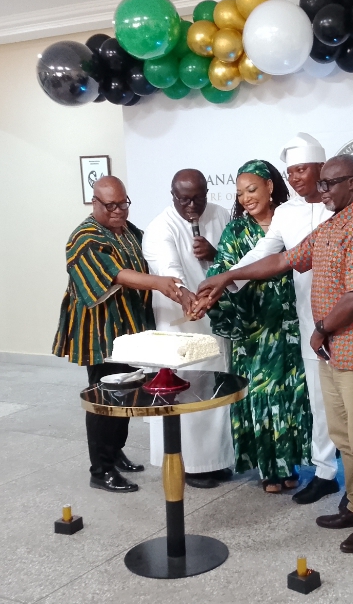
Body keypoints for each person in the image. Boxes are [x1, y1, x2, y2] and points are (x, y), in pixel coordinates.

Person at [196, 155, 353, 553]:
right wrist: (229, 274)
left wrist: (320, 331)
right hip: (333, 349)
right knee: (343, 435)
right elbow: (282, 259)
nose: (321, 191)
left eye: (329, 184)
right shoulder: (332, 224)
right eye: (321, 183)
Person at [224, 133, 339, 505]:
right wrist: (226, 279)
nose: (295, 177)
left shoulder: (342, 205)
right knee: (319, 402)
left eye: (302, 169)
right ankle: (325, 473)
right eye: (291, 171)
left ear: (321, 168)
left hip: (349, 320)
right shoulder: (286, 214)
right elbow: (265, 253)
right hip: (308, 323)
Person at [52, 176, 185, 493]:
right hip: (100, 332)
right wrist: (158, 283)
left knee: (125, 392)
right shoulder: (83, 238)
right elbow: (116, 274)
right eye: (110, 205)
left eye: (123, 204)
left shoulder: (129, 231)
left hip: (128, 329)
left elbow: (149, 258)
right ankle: (101, 469)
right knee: (104, 398)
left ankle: (115, 451)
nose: (118, 211)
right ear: (94, 203)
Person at [206, 159, 312, 494]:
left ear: (270, 185)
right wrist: (211, 293)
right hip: (255, 330)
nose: (246, 198)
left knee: (294, 394)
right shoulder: (236, 231)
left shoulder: (293, 220)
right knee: (263, 395)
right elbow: (222, 270)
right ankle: (269, 469)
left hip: (295, 326)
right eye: (240, 194)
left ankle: (292, 463)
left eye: (251, 189)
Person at [142, 169, 234, 489]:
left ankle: (216, 460)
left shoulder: (220, 215)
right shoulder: (160, 227)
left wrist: (214, 253)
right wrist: (184, 296)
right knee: (187, 389)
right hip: (180, 323)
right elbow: (169, 271)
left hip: (214, 319)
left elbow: (234, 259)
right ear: (173, 196)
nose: (192, 206)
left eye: (198, 198)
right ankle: (190, 465)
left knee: (214, 389)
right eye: (184, 199)